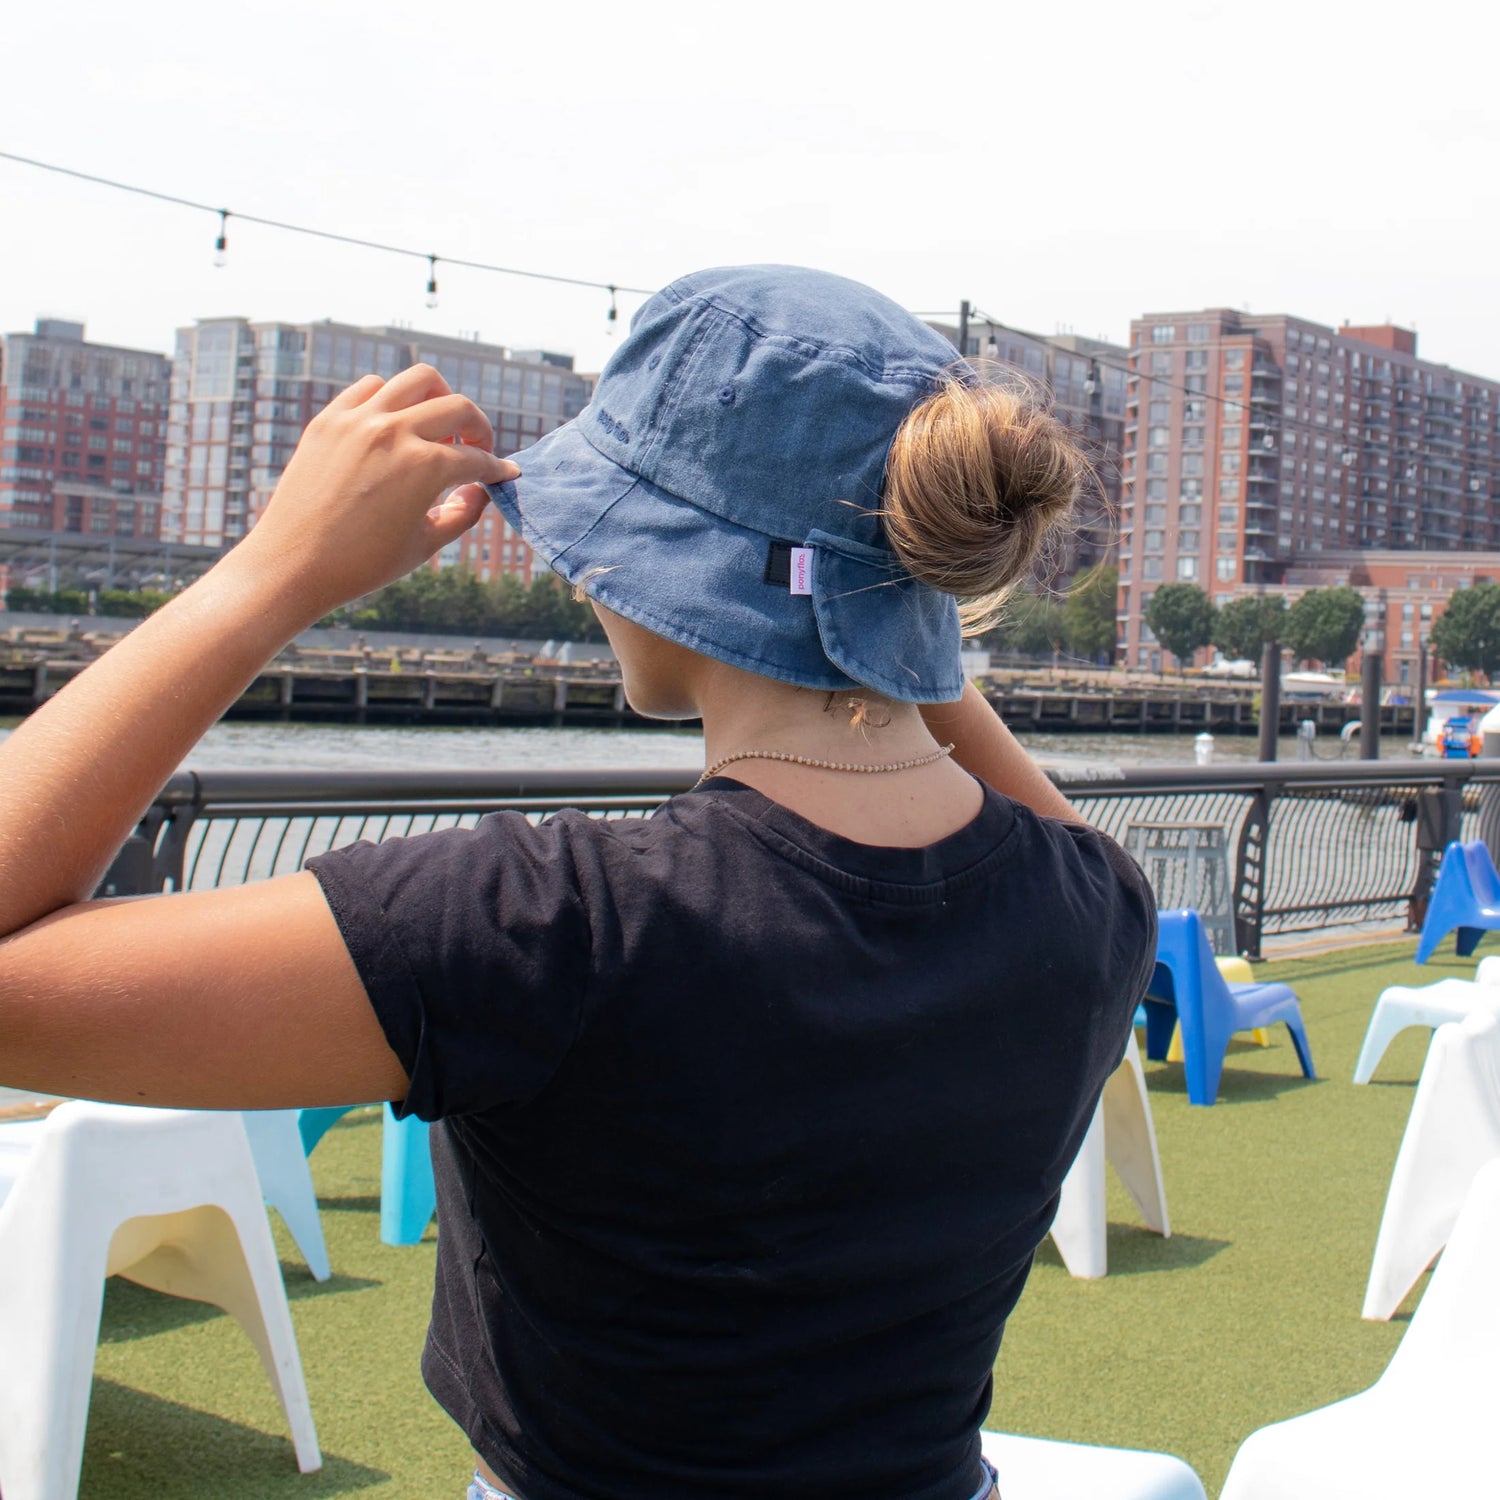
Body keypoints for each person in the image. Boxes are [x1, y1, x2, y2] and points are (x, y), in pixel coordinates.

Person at [0, 265, 1155, 1500]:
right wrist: (878, 603)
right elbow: (951, 741)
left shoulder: (546, 924)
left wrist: (270, 575)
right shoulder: (1091, 913)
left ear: (671, 565)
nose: (583, 577)